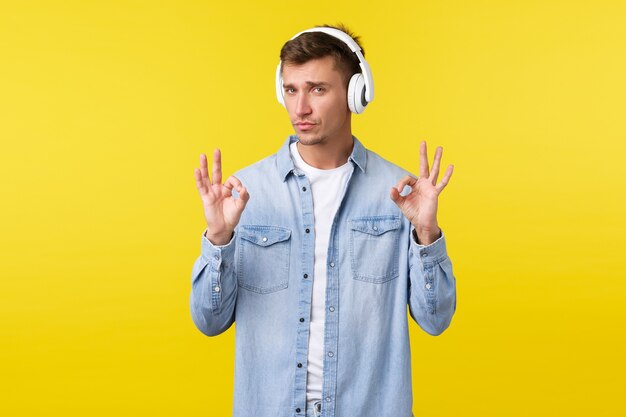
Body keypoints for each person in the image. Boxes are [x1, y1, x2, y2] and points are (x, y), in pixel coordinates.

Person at [190, 24, 457, 417]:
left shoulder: (402, 195)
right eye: (291, 89)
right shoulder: (243, 194)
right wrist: (218, 237)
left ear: (356, 94)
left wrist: (426, 233)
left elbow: (436, 320)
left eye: (317, 89)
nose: (300, 108)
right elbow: (208, 321)